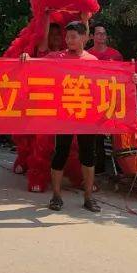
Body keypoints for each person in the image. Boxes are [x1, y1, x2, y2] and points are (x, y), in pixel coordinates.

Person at [21, 21, 100, 214]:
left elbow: (107, 84)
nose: (69, 40)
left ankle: (89, 197)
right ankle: (56, 195)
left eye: (73, 37)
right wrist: (27, 58)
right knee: (61, 153)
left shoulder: (93, 61)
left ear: (83, 37)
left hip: (85, 115)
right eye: (67, 37)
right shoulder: (58, 57)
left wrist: (131, 79)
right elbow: (37, 65)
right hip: (64, 114)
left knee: (88, 156)